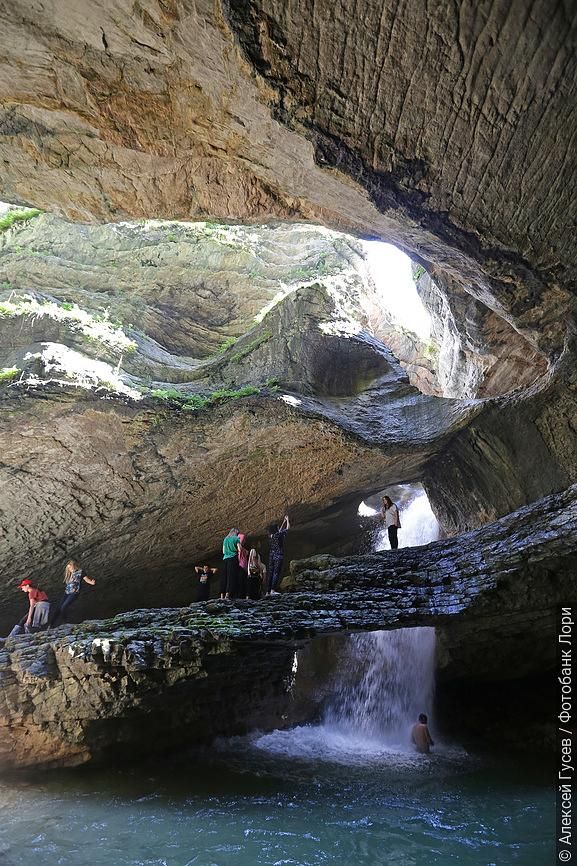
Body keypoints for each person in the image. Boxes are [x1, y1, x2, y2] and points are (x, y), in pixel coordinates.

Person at [50, 560, 96, 627]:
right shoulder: (69, 574)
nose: (70, 569)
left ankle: (64, 622)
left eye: (71, 568)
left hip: (74, 593)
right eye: (68, 568)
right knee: (59, 608)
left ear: (74, 566)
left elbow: (86, 579)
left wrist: (91, 582)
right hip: (67, 593)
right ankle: (51, 624)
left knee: (64, 607)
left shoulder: (80, 572)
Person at [267, 514, 290, 595]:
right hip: (278, 556)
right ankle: (273, 590)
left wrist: (283, 522)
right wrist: (287, 520)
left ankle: (268, 591)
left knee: (270, 573)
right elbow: (287, 529)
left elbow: (279, 531)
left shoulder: (271, 536)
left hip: (271, 556)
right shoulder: (278, 535)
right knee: (276, 573)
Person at [221, 528, 241, 599]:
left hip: (225, 558)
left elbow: (223, 551)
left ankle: (222, 595)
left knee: (225, 576)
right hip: (233, 558)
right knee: (231, 576)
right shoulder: (236, 538)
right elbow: (239, 549)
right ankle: (228, 594)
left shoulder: (225, 539)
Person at [237, 533, 249, 599]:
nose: (244, 541)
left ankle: (242, 595)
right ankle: (240, 596)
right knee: (241, 582)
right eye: (243, 540)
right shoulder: (239, 547)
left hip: (244, 566)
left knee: (243, 582)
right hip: (240, 566)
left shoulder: (243, 548)